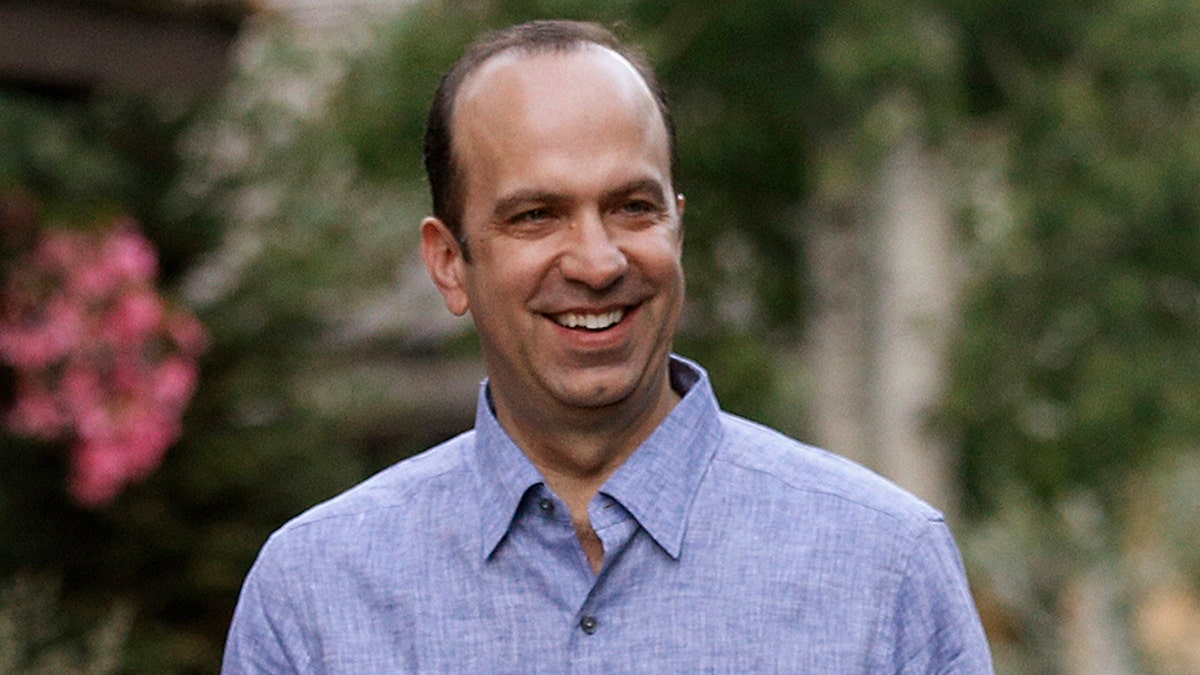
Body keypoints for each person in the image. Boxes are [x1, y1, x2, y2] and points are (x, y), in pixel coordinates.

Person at [222, 19, 993, 673]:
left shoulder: (885, 568)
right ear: (449, 263)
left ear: (677, 227)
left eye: (632, 207)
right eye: (536, 215)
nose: (597, 262)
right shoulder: (315, 597)